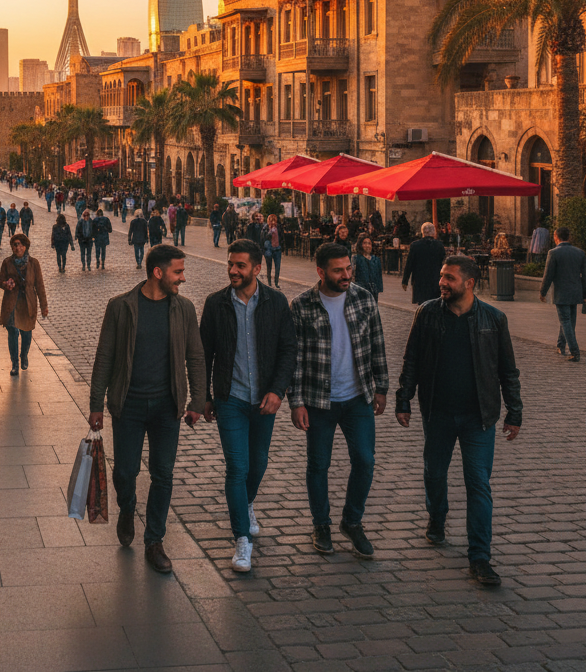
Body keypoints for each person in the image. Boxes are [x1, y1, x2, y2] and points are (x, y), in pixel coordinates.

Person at [396, 254, 523, 587]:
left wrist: (515, 410)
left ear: (469, 283)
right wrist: (403, 398)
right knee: (434, 474)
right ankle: (437, 518)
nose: (442, 282)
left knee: (478, 485)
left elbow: (507, 370)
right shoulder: (426, 314)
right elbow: (411, 359)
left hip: (478, 417)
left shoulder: (494, 319)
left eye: (449, 277)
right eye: (441, 275)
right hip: (437, 411)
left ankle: (479, 557)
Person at [88, 245, 206, 574]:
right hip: (129, 404)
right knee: (125, 472)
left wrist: (197, 401)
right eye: (177, 272)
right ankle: (127, 508)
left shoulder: (184, 309)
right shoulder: (121, 307)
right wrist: (96, 404)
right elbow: (104, 357)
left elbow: (195, 356)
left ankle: (154, 541)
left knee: (163, 474)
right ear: (158, 272)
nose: (182, 278)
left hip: (167, 407)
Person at [200, 239, 297, 573]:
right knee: (237, 468)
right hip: (231, 399)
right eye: (230, 264)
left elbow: (288, 350)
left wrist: (277, 391)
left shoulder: (276, 302)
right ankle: (241, 537)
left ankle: (247, 502)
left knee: (258, 463)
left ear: (257, 268)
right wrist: (206, 398)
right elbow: (204, 354)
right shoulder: (216, 304)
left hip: (264, 401)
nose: (233, 271)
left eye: (240, 265)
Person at [289, 242, 389, 559]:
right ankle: (322, 524)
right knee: (318, 465)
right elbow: (295, 359)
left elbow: (377, 343)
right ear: (321, 272)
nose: (346, 275)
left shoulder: (363, 299)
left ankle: (352, 521)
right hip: (319, 401)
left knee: (365, 460)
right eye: (338, 270)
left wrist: (382, 387)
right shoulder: (302, 305)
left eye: (349, 268)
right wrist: (297, 401)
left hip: (357, 396)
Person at [0, 233, 48, 376]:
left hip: (28, 302)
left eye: (19, 244)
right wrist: (5, 284)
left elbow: (40, 285)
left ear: (25, 246)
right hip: (12, 302)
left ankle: (24, 355)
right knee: (13, 332)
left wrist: (44, 305)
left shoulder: (34, 263)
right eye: (14, 245)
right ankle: (14, 364)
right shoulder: (7, 262)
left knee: (26, 334)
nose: (17, 247)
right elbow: (0, 280)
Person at [539, 227, 586, 361]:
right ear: (569, 236)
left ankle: (575, 351)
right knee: (569, 321)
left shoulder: (553, 253)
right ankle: (561, 345)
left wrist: (543, 292)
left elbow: (548, 274)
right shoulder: (580, 253)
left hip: (562, 293)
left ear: (556, 236)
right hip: (575, 292)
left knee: (566, 321)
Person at [402, 222, 447, 304]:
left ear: (422, 232)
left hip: (419, 281)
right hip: (434, 280)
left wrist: (405, 280)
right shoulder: (439, 245)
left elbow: (409, 264)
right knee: (434, 303)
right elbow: (443, 261)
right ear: (433, 232)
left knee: (422, 305)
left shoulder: (415, 245)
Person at [352, 235, 383, 302]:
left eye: (369, 243)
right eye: (365, 243)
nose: (367, 245)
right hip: (361, 289)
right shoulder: (356, 258)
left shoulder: (376, 259)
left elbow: (379, 274)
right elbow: (353, 274)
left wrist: (379, 288)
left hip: (373, 289)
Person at [264, 214, 283, 288]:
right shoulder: (266, 228)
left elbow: (281, 237)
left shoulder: (278, 227)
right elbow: (264, 238)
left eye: (274, 220)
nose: (273, 222)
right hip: (269, 250)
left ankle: (276, 283)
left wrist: (282, 247)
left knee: (277, 267)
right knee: (269, 267)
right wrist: (270, 232)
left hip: (277, 249)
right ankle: (269, 283)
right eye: (271, 221)